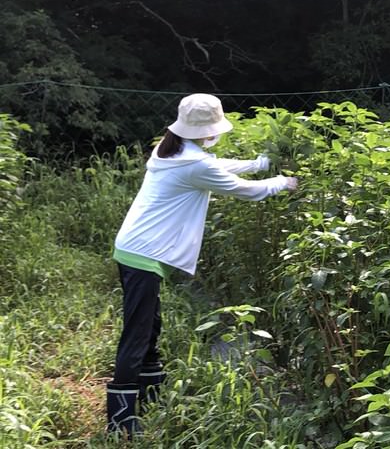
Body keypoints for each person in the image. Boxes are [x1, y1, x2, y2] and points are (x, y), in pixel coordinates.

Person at [106, 93, 298, 437]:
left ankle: (150, 394)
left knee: (149, 326)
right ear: (209, 129)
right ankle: (120, 420)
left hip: (135, 248)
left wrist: (257, 163)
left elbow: (216, 165)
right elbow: (244, 190)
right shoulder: (194, 164)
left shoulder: (170, 150)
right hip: (144, 254)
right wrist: (282, 182)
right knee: (137, 333)